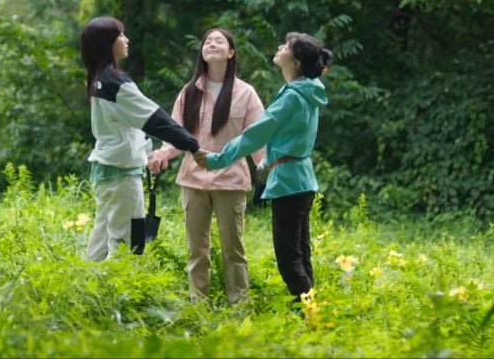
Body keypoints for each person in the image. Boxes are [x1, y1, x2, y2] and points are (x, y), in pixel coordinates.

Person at [198, 32, 332, 304]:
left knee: (289, 258)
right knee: (300, 253)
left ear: (295, 62)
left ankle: (310, 313)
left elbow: (255, 134)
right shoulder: (309, 90)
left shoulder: (293, 97)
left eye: (286, 47)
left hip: (288, 182)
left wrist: (217, 159)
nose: (280, 47)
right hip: (301, 180)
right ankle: (311, 312)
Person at [148, 28, 264, 304]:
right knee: (196, 249)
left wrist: (266, 169)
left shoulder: (245, 93)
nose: (212, 44)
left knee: (233, 249)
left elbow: (257, 138)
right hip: (194, 178)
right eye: (207, 41)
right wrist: (162, 154)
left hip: (231, 180)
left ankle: (239, 305)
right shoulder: (189, 92)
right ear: (201, 52)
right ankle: (197, 305)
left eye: (218, 41)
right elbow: (177, 134)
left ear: (230, 53)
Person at [79, 16, 203, 261]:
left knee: (103, 236)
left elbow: (133, 124)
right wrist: (192, 145)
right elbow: (154, 118)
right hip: (121, 174)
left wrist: (148, 154)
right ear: (106, 42)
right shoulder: (116, 83)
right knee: (128, 242)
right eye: (120, 35)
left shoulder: (99, 79)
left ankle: (88, 280)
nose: (126, 40)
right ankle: (118, 286)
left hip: (107, 171)